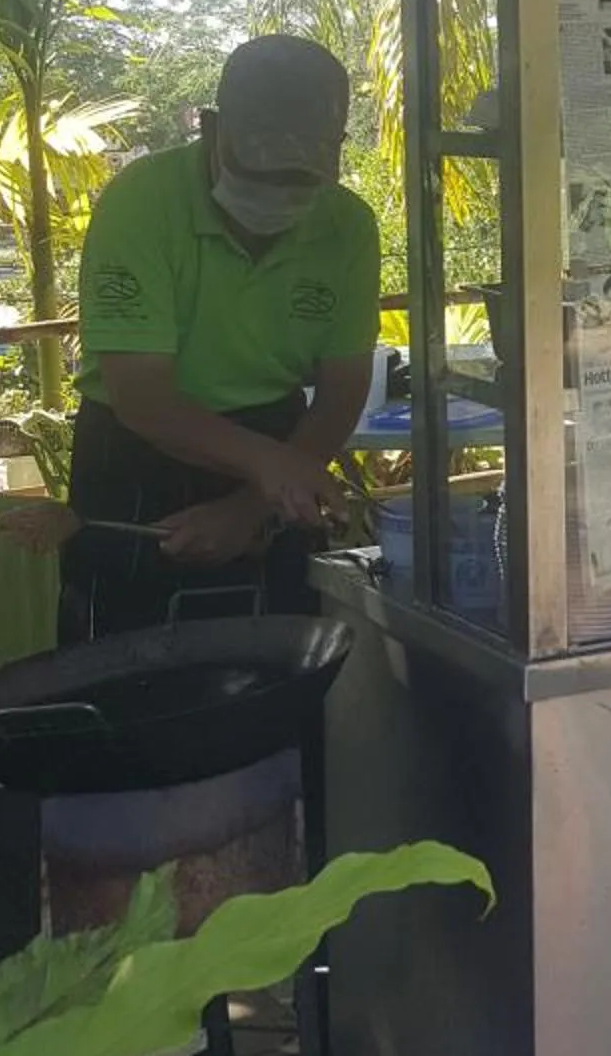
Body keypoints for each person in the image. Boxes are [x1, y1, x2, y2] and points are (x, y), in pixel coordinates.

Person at [53, 36, 381, 639]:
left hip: (283, 443)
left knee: (278, 674)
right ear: (211, 128)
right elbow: (142, 397)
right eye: (262, 171)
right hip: (137, 456)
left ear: (337, 150)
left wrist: (251, 508)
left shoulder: (348, 225)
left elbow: (343, 389)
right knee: (119, 682)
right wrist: (270, 470)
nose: (280, 194)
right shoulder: (142, 203)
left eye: (301, 178)